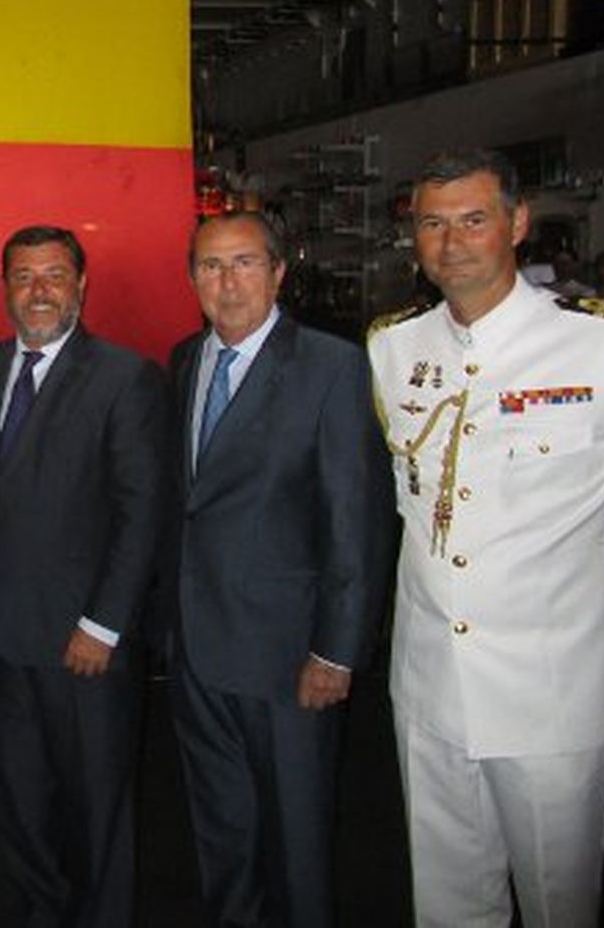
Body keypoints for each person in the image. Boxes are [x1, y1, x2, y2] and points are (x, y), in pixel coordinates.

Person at [369, 148, 604, 928]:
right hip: (431, 682)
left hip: (554, 692)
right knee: (446, 902)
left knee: (559, 901)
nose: (452, 242)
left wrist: (587, 624)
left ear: (518, 223)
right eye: (433, 224)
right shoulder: (395, 348)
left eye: (474, 219)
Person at [168, 212, 394, 928]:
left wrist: (336, 649)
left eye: (243, 263)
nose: (226, 281)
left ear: (278, 272)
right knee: (221, 829)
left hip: (289, 654)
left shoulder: (332, 366)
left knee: (297, 839)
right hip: (196, 647)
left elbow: (354, 521)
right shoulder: (183, 360)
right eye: (209, 266)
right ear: (192, 279)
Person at [0, 225, 170, 928]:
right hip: (2, 640)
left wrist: (103, 623)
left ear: (81, 285)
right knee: (20, 805)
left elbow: (142, 513)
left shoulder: (126, 376)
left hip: (86, 643)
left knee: (97, 809)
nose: (39, 290)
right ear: (6, 288)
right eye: (23, 276)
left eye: (54, 275)